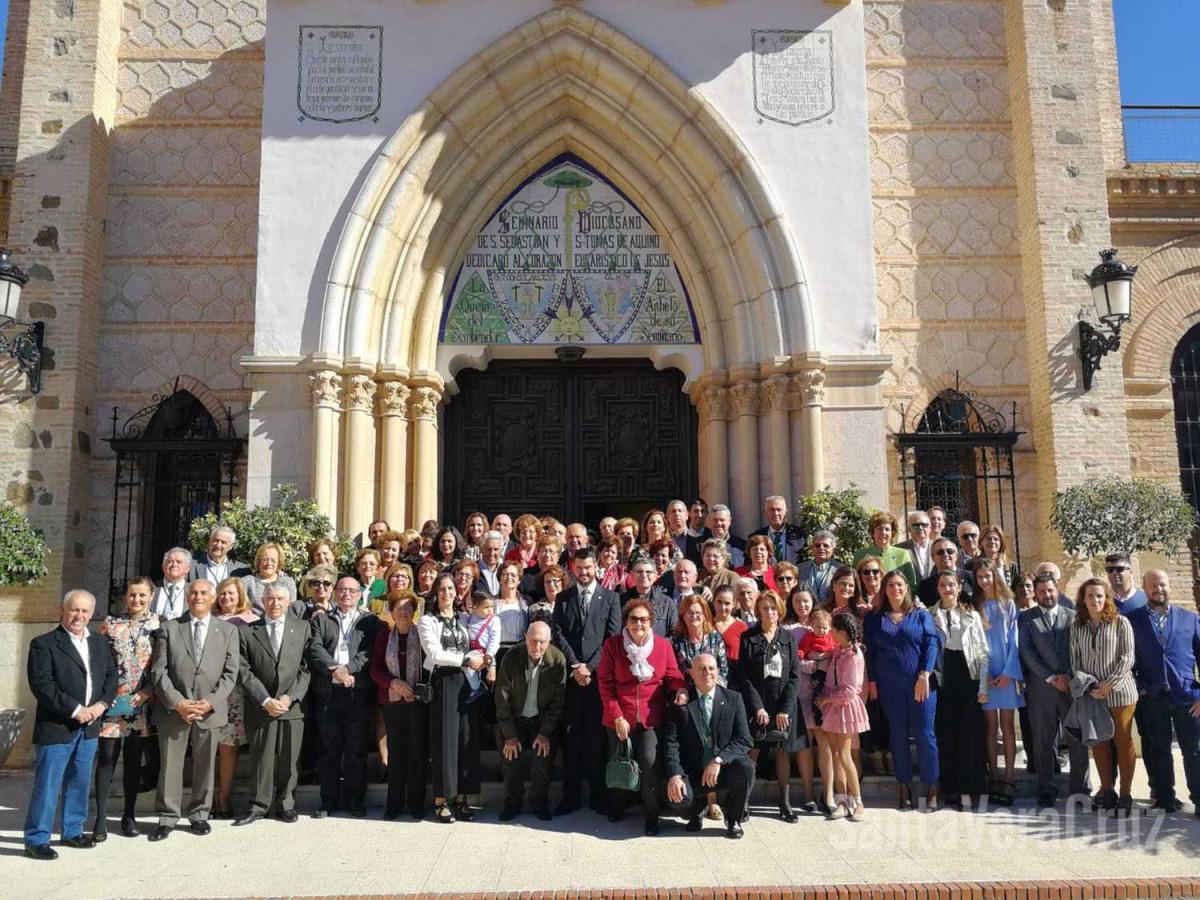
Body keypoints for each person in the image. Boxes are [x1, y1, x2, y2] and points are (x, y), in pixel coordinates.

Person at [24, 590, 118, 860]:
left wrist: (101, 706)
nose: (80, 616)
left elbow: (111, 678)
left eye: (85, 611)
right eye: (74, 610)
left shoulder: (99, 642)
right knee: (48, 784)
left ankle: (73, 831)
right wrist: (76, 710)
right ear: (62, 611)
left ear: (91, 613)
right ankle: (37, 838)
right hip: (58, 725)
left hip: (89, 726)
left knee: (79, 780)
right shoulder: (44, 644)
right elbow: (42, 686)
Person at [148, 579, 240, 841]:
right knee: (170, 766)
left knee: (205, 764)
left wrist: (210, 701)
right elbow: (159, 671)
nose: (198, 597)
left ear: (213, 598)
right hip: (175, 710)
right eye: (193, 593)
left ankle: (200, 813)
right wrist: (178, 702)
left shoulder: (228, 631)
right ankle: (167, 816)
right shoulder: (169, 628)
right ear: (187, 598)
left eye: (203, 593)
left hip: (209, 710)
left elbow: (230, 673)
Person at [598, 597, 686, 834]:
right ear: (626, 621)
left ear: (651, 622)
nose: (639, 624)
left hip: (650, 717)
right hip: (619, 715)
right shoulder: (613, 645)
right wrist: (617, 716)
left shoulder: (663, 645)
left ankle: (651, 813)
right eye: (634, 619)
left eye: (644, 620)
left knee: (648, 762)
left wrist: (680, 688)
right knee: (618, 761)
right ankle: (617, 805)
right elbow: (605, 683)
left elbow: (672, 674)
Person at [233, 584, 311, 826]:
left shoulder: (302, 628)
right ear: (262, 602)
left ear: (288, 602)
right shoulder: (247, 631)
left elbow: (306, 669)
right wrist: (265, 699)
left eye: (280, 599)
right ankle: (258, 805)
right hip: (261, 706)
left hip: (291, 706)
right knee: (260, 758)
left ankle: (286, 804)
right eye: (270, 599)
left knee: (290, 759)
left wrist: (290, 697)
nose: (275, 603)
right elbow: (243, 670)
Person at [553, 547, 622, 815]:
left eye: (588, 568)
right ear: (573, 569)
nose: (584, 573)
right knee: (571, 739)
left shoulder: (611, 599)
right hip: (571, 680)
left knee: (596, 739)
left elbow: (612, 638)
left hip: (598, 681)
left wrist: (590, 668)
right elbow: (558, 633)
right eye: (579, 568)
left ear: (596, 568)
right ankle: (569, 797)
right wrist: (576, 665)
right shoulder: (563, 598)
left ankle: (597, 796)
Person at [91, 576, 160, 841]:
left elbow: (162, 664)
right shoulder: (111, 624)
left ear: (150, 596)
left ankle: (128, 815)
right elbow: (99, 662)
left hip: (139, 705)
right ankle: (99, 819)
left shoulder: (158, 625)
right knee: (107, 759)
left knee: (133, 762)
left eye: (142, 595)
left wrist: (148, 691)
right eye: (133, 595)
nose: (137, 600)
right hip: (112, 702)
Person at [864, 571, 939, 810]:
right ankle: (903, 786)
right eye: (890, 585)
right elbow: (871, 653)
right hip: (889, 688)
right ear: (884, 590)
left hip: (921, 685)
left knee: (925, 736)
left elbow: (932, 643)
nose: (895, 589)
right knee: (897, 736)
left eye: (899, 584)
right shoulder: (874, 618)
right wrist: (873, 682)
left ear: (907, 588)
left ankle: (932, 787)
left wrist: (925, 675)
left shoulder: (920, 614)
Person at [1127, 569, 1200, 814]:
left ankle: (1199, 798)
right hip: (1152, 697)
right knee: (1158, 749)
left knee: (1194, 750)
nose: (1159, 589)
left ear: (1169, 586)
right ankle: (1165, 798)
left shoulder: (1190, 619)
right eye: (1153, 586)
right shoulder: (1131, 621)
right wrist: (1139, 690)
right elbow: (1126, 661)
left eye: (1163, 584)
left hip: (1188, 697)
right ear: (1144, 588)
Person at [307, 576, 380, 818]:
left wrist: (347, 669)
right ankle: (328, 801)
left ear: (359, 594)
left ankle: (354, 800)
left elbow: (369, 652)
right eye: (342, 590)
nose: (346, 594)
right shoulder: (322, 619)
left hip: (357, 692)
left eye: (351, 590)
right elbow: (314, 648)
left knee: (356, 749)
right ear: (335, 593)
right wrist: (334, 670)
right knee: (328, 749)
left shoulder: (370, 621)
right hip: (328, 691)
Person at [1019, 573, 1091, 807]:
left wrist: (1068, 675)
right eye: (1042, 592)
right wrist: (1050, 678)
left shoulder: (1072, 617)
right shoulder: (1026, 619)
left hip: (1071, 688)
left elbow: (1080, 649)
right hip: (1041, 689)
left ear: (1056, 590)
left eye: (1050, 590)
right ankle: (1046, 787)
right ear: (1035, 594)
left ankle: (1080, 789)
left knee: (1077, 738)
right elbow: (1027, 652)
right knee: (1043, 740)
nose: (1047, 595)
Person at [663, 653, 754, 838]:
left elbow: (744, 739)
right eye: (701, 669)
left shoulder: (734, 699)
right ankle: (696, 811)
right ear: (692, 674)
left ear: (718, 672)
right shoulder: (681, 703)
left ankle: (733, 819)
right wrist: (675, 775)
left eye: (711, 668)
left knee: (746, 767)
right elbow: (671, 743)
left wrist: (719, 760)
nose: (707, 672)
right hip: (693, 772)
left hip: (722, 770)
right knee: (678, 798)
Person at [418, 572, 485, 823]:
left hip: (465, 682)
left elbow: (472, 645)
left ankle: (460, 798)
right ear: (435, 594)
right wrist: (466, 659)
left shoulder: (463, 618)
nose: (447, 593)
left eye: (450, 589)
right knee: (444, 741)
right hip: (443, 682)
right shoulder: (427, 621)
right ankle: (441, 799)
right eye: (442, 589)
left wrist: (481, 659)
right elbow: (434, 653)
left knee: (465, 738)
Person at [1070, 577, 1137, 816]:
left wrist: (1109, 684)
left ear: (1106, 598)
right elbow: (1075, 661)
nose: (1095, 600)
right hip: (1092, 694)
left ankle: (1126, 794)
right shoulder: (1077, 626)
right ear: (1083, 599)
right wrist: (1089, 686)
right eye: (1090, 596)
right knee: (1099, 743)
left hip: (1120, 693)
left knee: (1122, 740)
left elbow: (1127, 658)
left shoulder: (1121, 623)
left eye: (1099, 595)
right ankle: (1107, 791)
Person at [735, 589, 802, 821]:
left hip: (783, 705)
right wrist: (757, 707)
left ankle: (785, 803)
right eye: (765, 608)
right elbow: (743, 677)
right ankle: (743, 802)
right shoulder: (748, 637)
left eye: (773, 608)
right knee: (752, 751)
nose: (770, 612)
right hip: (758, 705)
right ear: (758, 611)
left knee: (783, 752)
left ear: (780, 611)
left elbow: (795, 675)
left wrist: (785, 708)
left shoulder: (788, 638)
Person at [494, 621, 567, 822]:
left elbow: (557, 703)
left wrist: (544, 733)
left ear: (549, 641)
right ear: (525, 638)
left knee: (542, 757)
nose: (537, 646)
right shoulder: (511, 657)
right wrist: (509, 735)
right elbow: (502, 699)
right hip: (515, 720)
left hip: (541, 721)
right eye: (533, 641)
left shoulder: (557, 660)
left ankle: (540, 803)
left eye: (542, 642)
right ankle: (512, 803)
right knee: (510, 756)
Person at [931, 570, 989, 810]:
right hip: (943, 676)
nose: (947, 589)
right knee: (947, 734)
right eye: (943, 585)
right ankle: (950, 789)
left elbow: (983, 651)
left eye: (951, 584)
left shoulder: (971, 615)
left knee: (970, 735)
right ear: (938, 589)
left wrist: (983, 685)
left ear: (959, 587)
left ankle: (969, 790)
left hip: (968, 675)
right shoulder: (929, 614)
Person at [369, 591, 427, 820]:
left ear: (414, 612)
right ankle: (394, 803)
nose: (403, 612)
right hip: (391, 702)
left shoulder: (422, 635)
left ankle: (415, 803)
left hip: (416, 702)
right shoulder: (384, 637)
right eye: (399, 608)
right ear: (391, 612)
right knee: (396, 753)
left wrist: (416, 691)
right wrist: (393, 683)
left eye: (408, 608)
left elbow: (430, 667)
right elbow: (375, 669)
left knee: (416, 754)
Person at [975, 558, 1024, 806]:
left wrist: (1008, 673)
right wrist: (984, 676)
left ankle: (1009, 778)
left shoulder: (1008, 605)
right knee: (989, 728)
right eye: (980, 577)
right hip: (986, 675)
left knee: (1007, 727)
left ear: (996, 576)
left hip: (1005, 674)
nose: (984, 581)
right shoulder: (977, 606)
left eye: (988, 576)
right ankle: (993, 775)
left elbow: (1014, 641)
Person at [816, 613, 870, 821]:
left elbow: (850, 690)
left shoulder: (855, 655)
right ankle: (841, 799)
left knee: (845, 755)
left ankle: (858, 801)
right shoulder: (838, 651)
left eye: (833, 630)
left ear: (842, 632)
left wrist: (827, 699)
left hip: (844, 707)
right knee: (835, 754)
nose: (831, 633)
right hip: (832, 707)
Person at [212, 577, 259, 818]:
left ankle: (223, 799)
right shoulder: (207, 620)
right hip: (208, 693)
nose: (227, 598)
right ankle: (206, 798)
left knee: (228, 747)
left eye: (231, 594)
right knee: (208, 747)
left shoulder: (250, 622)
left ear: (240, 596)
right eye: (222, 594)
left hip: (236, 693)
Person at [673, 594, 729, 686]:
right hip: (687, 693)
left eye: (698, 613)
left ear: (704, 616)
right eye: (690, 613)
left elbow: (723, 670)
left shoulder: (715, 638)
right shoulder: (676, 642)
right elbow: (675, 673)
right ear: (683, 616)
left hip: (713, 690)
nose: (694, 616)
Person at [853, 512, 917, 590]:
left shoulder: (903, 554)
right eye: (879, 529)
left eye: (887, 529)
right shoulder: (860, 555)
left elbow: (911, 584)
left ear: (892, 533)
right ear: (873, 532)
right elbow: (855, 582)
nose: (883, 532)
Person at [622, 558, 678, 638]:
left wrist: (659, 646)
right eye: (639, 572)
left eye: (648, 572)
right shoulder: (621, 601)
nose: (644, 575)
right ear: (632, 575)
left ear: (655, 576)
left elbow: (674, 635)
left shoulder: (668, 604)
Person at [241, 543, 299, 613]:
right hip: (253, 622)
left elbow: (291, 609)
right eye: (265, 559)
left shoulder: (287, 582)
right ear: (259, 561)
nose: (269, 563)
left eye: (273, 560)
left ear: (279, 563)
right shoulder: (247, 582)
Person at [917, 537, 974, 608]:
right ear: (933, 557)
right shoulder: (925, 585)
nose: (945, 554)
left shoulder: (971, 577)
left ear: (956, 555)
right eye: (940, 552)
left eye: (950, 551)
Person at [750, 495, 806, 565]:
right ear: (765, 512)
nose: (775, 513)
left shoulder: (800, 535)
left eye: (779, 510)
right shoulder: (755, 537)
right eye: (772, 510)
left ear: (786, 511)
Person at [797, 530, 846, 607]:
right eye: (817, 545)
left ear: (833, 549)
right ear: (812, 548)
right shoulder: (800, 568)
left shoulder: (841, 570)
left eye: (826, 546)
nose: (821, 548)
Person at [971, 525, 1019, 590]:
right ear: (981, 542)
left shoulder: (1011, 566)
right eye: (988, 539)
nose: (992, 541)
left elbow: (1015, 590)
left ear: (1001, 543)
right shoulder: (972, 565)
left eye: (996, 539)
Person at [151, 547, 192, 620]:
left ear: (187, 568)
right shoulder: (151, 588)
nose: (174, 564)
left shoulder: (193, 591)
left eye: (178, 562)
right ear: (163, 566)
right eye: (170, 561)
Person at [896, 510, 936, 582]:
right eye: (916, 525)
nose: (920, 528)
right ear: (909, 529)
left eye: (924, 525)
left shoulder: (938, 548)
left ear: (930, 528)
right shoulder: (899, 549)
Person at [712, 584, 748, 664]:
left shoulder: (742, 628)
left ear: (734, 604)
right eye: (719, 602)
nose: (722, 607)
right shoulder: (706, 625)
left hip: (735, 674)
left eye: (727, 603)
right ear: (713, 601)